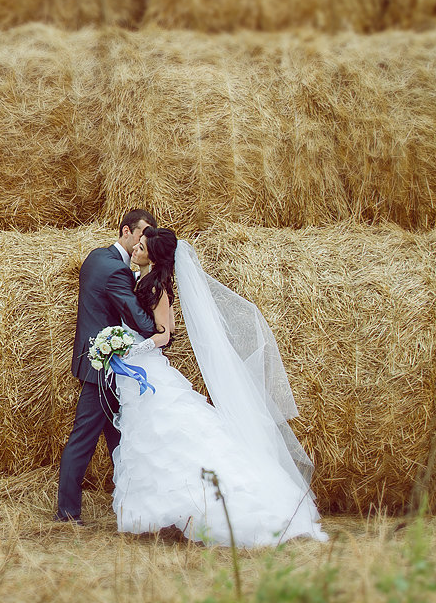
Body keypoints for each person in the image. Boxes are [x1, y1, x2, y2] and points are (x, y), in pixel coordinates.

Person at [111, 227, 326, 546]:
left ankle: (221, 507)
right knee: (149, 436)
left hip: (148, 367)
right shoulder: (144, 282)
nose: (136, 250)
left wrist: (135, 348)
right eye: (137, 245)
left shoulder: (158, 289)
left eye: (141, 247)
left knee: (166, 433)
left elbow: (164, 334)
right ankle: (156, 510)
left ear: (153, 257)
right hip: (139, 370)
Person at [55, 209, 159, 523]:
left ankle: (133, 507)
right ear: (126, 231)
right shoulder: (118, 271)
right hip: (105, 369)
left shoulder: (95, 257)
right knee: (84, 440)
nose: (144, 241)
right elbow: (135, 319)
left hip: (96, 364)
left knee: (120, 438)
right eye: (141, 234)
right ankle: (68, 513)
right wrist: (160, 326)